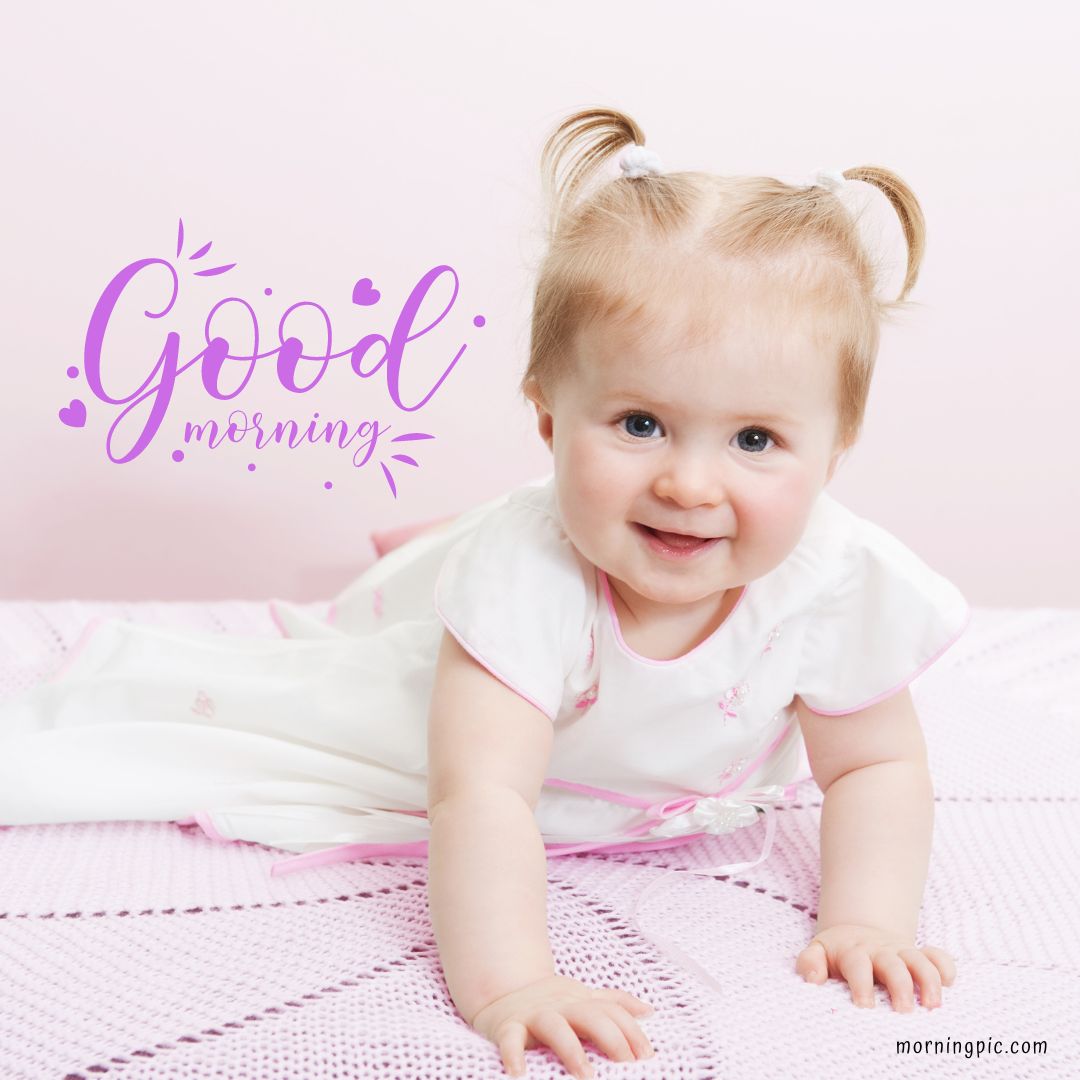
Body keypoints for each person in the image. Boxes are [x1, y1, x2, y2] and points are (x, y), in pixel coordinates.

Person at [0, 106, 971, 1079]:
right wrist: (513, 981)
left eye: (755, 440)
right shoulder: (534, 580)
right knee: (342, 692)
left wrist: (866, 921)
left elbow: (874, 767)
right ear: (549, 422)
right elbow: (483, 793)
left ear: (835, 449)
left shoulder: (838, 582)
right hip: (484, 690)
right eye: (639, 424)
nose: (690, 484)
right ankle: (425, 575)